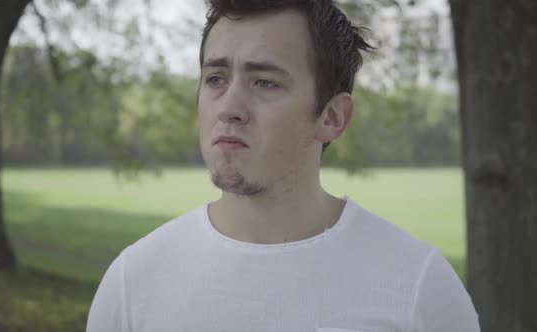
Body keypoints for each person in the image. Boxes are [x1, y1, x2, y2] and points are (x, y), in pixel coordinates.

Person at [87, 0, 480, 331]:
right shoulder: (133, 282)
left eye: (265, 83)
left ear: (332, 117)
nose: (229, 108)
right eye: (216, 79)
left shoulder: (419, 290)